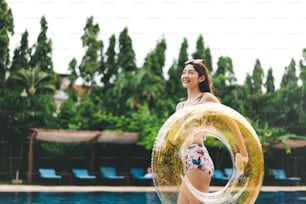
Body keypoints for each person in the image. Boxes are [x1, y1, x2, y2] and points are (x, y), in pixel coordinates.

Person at [176, 59, 248, 204]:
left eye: (191, 72)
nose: (185, 75)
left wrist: (243, 153)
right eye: (184, 72)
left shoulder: (206, 98)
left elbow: (232, 123)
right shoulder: (180, 106)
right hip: (187, 159)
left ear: (201, 78)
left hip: (198, 156)